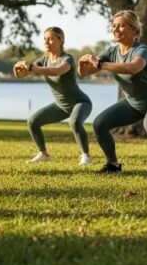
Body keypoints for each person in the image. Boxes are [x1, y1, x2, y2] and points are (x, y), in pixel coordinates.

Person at [78, 10, 147, 176]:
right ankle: (113, 165)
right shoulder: (111, 52)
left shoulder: (141, 50)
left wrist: (100, 64)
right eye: (114, 26)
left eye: (121, 26)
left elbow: (132, 68)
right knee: (99, 124)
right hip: (133, 103)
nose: (116, 29)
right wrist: (82, 65)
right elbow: (86, 72)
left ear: (134, 29)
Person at [14, 27, 93, 166]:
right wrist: (19, 68)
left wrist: (32, 68)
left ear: (60, 40)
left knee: (74, 122)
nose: (46, 42)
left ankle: (86, 156)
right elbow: (23, 74)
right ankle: (43, 154)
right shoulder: (44, 60)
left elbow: (56, 71)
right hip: (61, 106)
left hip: (80, 102)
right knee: (33, 122)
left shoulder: (67, 59)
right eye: (45, 39)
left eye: (50, 39)